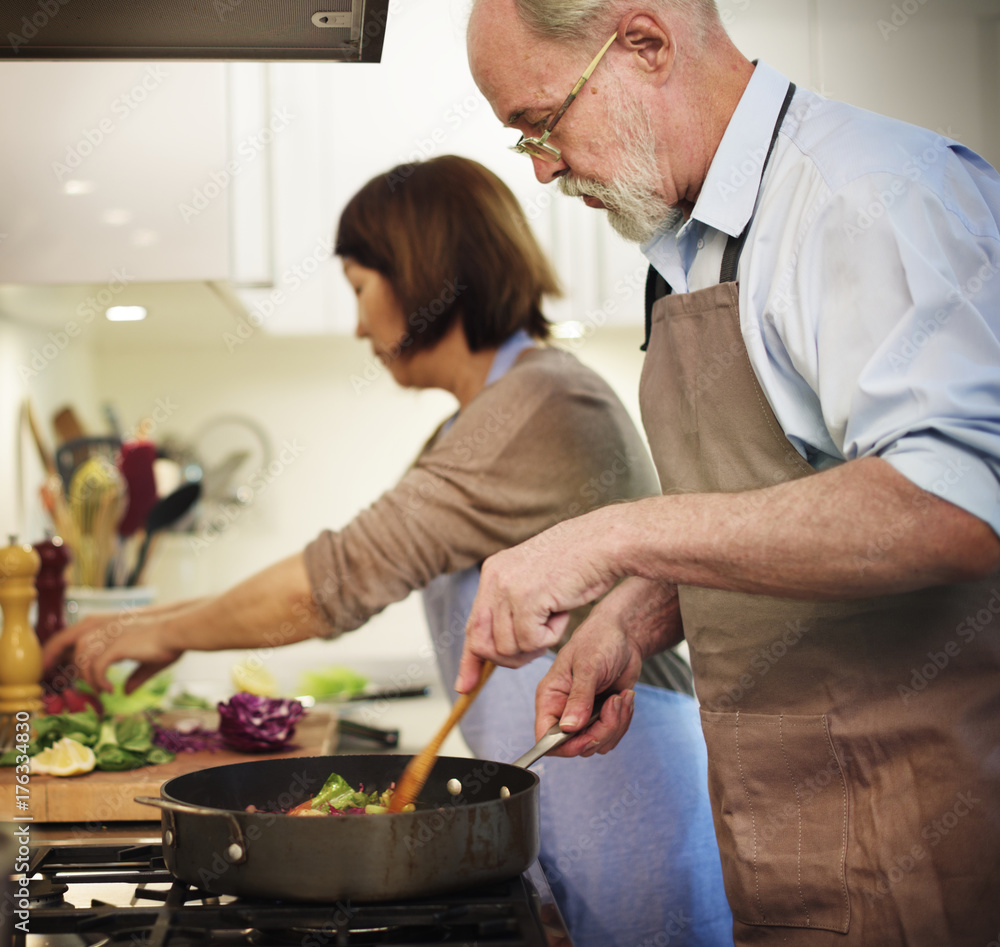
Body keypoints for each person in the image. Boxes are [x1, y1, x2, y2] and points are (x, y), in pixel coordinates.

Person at [42, 155, 734, 947]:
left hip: (628, 800)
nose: (358, 323)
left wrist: (155, 632)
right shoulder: (483, 416)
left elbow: (331, 583)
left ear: (421, 273)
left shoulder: (541, 402)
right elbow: (346, 563)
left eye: (359, 286)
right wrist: (155, 622)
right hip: (571, 787)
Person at [458, 2, 1000, 945]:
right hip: (785, 840)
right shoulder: (688, 244)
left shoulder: (861, 194)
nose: (542, 167)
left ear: (646, 44)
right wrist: (635, 609)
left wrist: (614, 534)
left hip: (925, 846)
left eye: (542, 123)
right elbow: (792, 497)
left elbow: (954, 500)